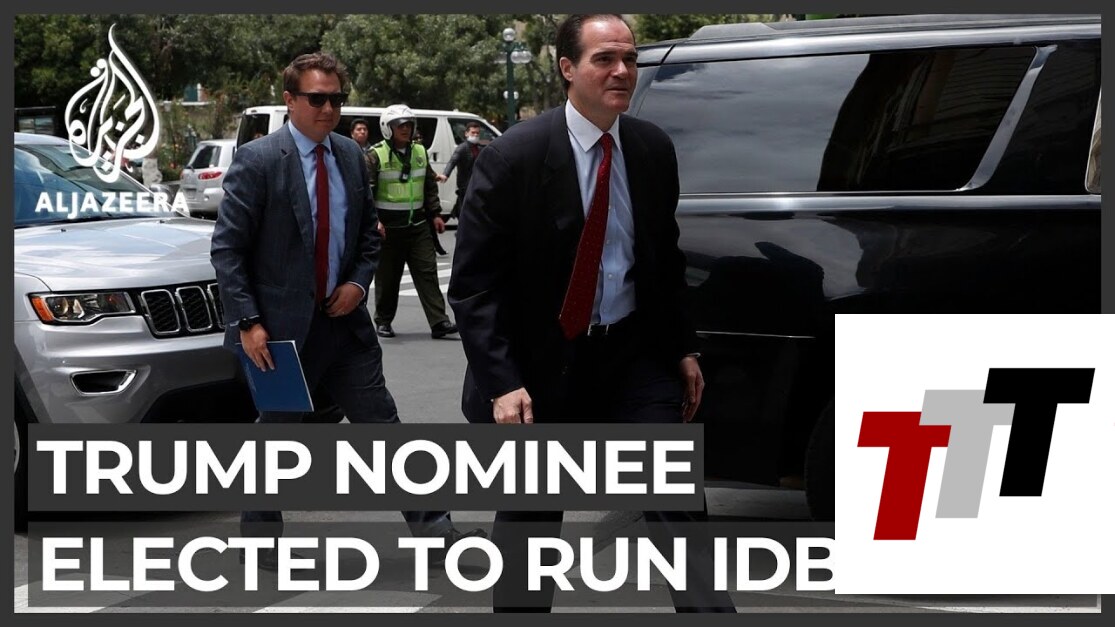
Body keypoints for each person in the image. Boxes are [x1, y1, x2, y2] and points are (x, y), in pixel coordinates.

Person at [448, 15, 736, 612]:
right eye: (604, 59)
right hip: (541, 364)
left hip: (633, 356)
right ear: (567, 68)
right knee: (531, 519)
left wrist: (682, 347)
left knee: (678, 499)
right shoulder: (514, 157)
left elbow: (662, 259)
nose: (622, 71)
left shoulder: (651, 149)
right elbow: (475, 287)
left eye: (629, 59)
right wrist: (503, 383)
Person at [210, 52, 481, 572]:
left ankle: (435, 531)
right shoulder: (259, 161)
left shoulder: (352, 158)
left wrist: (358, 283)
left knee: (384, 426)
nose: (328, 109)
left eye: (336, 99)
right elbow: (228, 249)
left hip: (344, 329)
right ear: (290, 100)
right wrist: (248, 322)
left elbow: (367, 236)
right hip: (279, 334)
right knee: (276, 437)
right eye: (317, 99)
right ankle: (259, 541)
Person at [365, 103, 457, 340]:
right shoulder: (375, 155)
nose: (405, 129)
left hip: (417, 225)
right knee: (387, 277)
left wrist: (436, 214)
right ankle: (384, 321)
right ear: (388, 128)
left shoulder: (420, 152)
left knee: (428, 272)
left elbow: (429, 185)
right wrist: (374, 221)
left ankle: (439, 321)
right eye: (400, 125)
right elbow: (366, 193)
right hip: (388, 228)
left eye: (408, 125)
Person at [438, 121, 485, 221]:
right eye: (473, 132)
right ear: (466, 133)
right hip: (465, 185)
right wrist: (445, 174)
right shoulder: (462, 148)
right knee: (466, 210)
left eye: (477, 133)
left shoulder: (480, 148)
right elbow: (452, 161)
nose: (475, 135)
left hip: (476, 184)